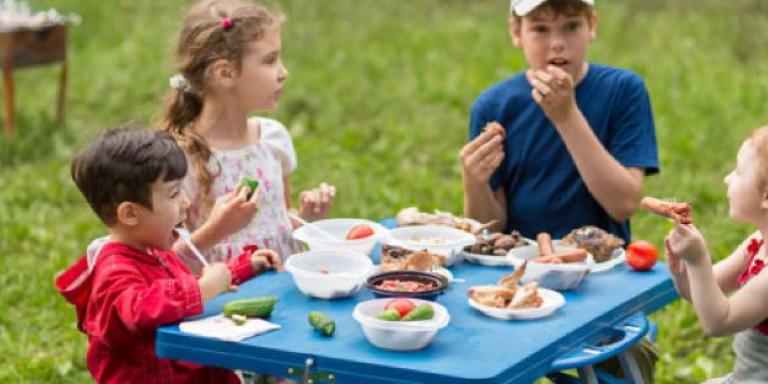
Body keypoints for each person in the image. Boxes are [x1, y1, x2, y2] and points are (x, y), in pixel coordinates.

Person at [55, 126, 282, 383]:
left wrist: (242, 267)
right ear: (130, 214)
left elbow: (185, 286)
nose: (185, 202)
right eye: (173, 194)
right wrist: (202, 289)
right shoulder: (114, 270)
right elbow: (140, 310)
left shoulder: (154, 250)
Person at [460, 0, 659, 244]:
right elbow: (489, 230)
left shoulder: (623, 90)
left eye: (572, 26)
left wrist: (567, 117)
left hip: (600, 265)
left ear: (592, 26)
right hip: (520, 263)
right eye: (540, 29)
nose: (557, 44)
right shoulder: (493, 106)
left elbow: (623, 204)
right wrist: (475, 184)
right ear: (516, 32)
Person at [160, 0, 335, 269]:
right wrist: (217, 230)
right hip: (223, 300)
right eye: (269, 60)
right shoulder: (181, 158)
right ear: (225, 72)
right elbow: (168, 264)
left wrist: (306, 219)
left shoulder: (273, 139)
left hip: (282, 289)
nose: (283, 72)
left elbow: (280, 223)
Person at [666, 126, 768, 384]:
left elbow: (719, 322)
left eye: (738, 171)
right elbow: (702, 293)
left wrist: (699, 260)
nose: (727, 178)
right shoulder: (758, 243)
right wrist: (682, 270)